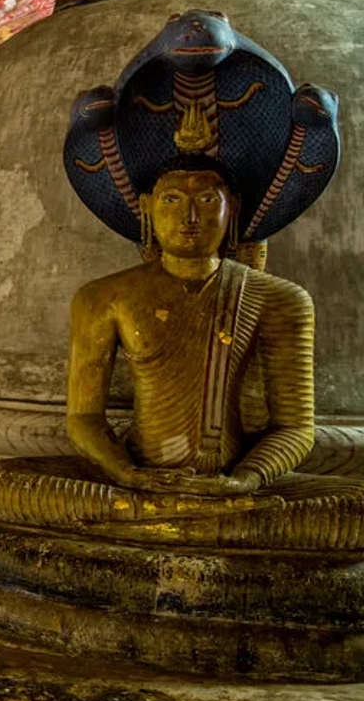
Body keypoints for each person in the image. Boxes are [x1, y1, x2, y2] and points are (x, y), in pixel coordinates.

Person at [67, 155, 313, 498]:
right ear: (147, 207)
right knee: (4, 484)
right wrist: (126, 474)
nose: (190, 216)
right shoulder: (103, 297)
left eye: (208, 200)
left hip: (230, 483)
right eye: (172, 200)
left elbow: (295, 427)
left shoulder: (278, 298)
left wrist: (246, 479)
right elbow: (83, 418)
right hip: (139, 483)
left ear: (233, 207)